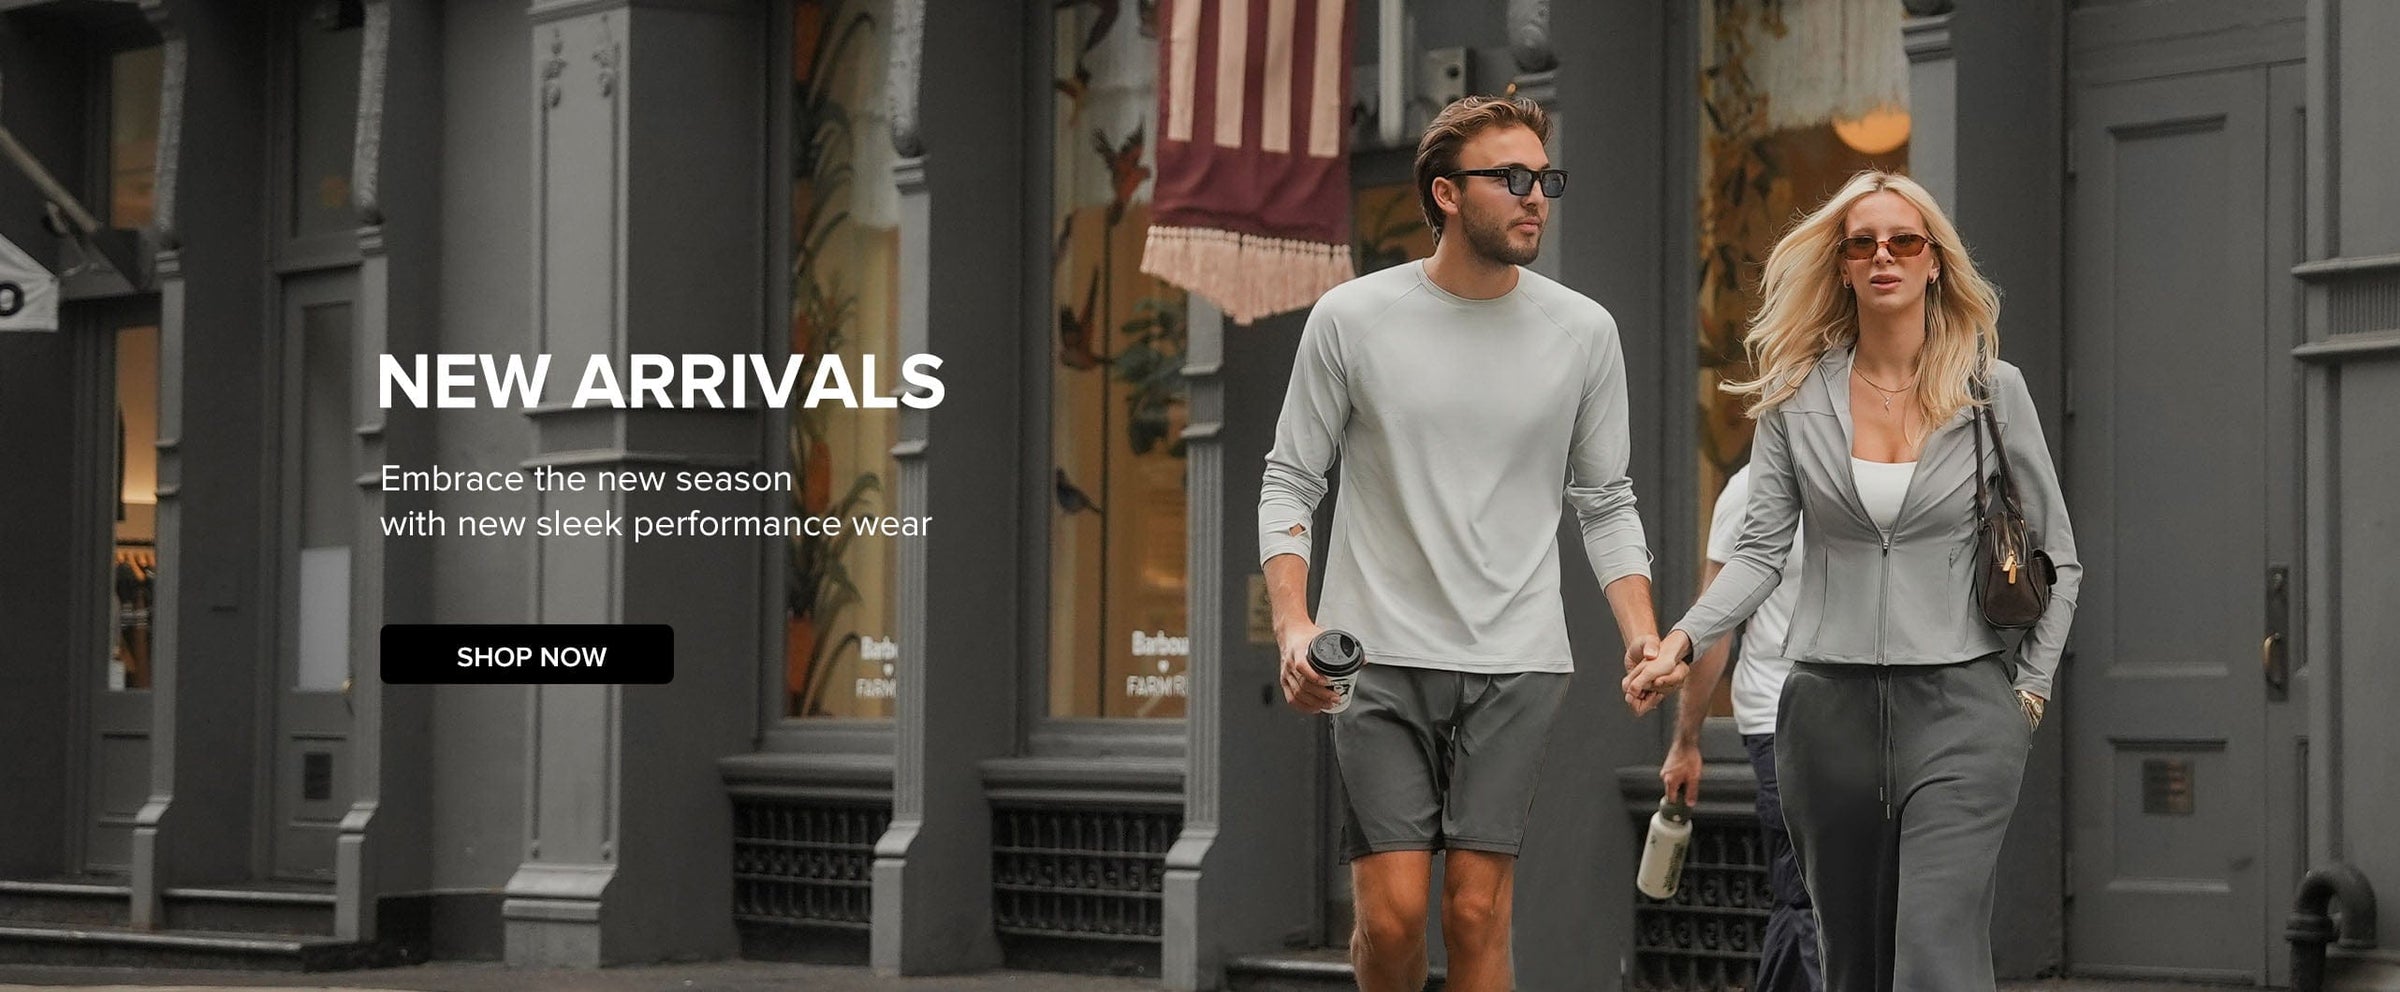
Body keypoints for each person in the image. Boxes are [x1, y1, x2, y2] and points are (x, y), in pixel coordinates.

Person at [1260, 95, 1676, 992]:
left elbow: (1604, 499)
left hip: (1518, 660)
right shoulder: (1352, 317)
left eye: (1545, 179)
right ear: (1445, 193)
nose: (1535, 197)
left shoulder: (1583, 333)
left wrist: (1638, 630)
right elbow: (1292, 478)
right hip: (1375, 655)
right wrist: (1296, 626)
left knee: (1478, 912)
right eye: (1512, 178)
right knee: (1395, 916)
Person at [1630, 170, 2081, 992]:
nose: (1885, 256)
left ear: (1934, 260)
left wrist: (2030, 693)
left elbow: (2062, 558)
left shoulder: (1990, 390)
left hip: (1961, 710)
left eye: (1904, 241)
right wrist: (1683, 638)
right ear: (1841, 264)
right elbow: (1759, 554)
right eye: (1863, 243)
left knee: (1935, 960)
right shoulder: (1797, 396)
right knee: (1853, 966)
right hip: (1826, 716)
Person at [1658, 463, 1820, 992]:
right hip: (1779, 715)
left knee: (1821, 899)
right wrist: (1687, 741)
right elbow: (1714, 623)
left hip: (1865, 717)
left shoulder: (1871, 476)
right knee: (1807, 895)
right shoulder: (1750, 490)